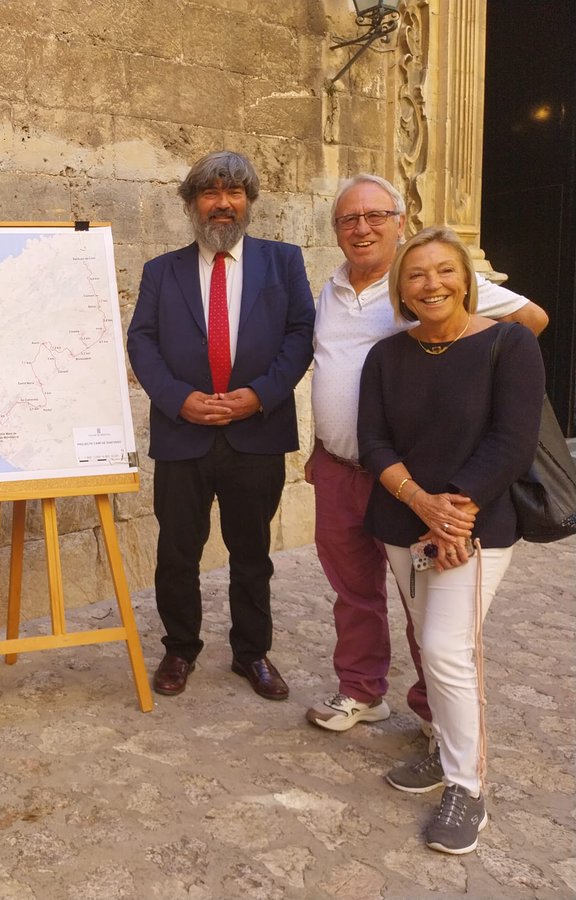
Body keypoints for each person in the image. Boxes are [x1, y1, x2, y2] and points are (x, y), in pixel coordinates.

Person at [306, 175, 549, 735]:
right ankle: (362, 691)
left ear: (399, 222)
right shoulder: (330, 290)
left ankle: (434, 713)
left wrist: (487, 393)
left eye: (375, 216)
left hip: (417, 480)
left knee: (427, 604)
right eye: (349, 219)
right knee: (353, 592)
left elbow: (532, 320)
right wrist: (322, 445)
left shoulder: (426, 277)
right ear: (337, 231)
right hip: (341, 467)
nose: (362, 228)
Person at [358, 226, 544, 854]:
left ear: (466, 279)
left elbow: (512, 440)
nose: (430, 284)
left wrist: (453, 514)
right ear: (401, 289)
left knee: (446, 648)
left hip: (476, 528)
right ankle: (443, 748)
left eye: (444, 271)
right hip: (403, 525)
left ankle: (469, 786)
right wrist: (421, 503)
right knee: (428, 641)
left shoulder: (511, 344)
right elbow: (373, 442)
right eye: (416, 275)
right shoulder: (386, 356)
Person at [126, 150, 315, 701]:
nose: (223, 203)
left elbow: (300, 334)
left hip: (257, 434)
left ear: (249, 202)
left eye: (234, 193)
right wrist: (179, 400)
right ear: (192, 203)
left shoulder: (283, 262)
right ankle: (180, 648)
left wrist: (260, 396)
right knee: (177, 553)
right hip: (183, 436)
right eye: (210, 193)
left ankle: (251, 652)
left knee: (252, 554)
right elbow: (142, 340)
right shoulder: (161, 271)